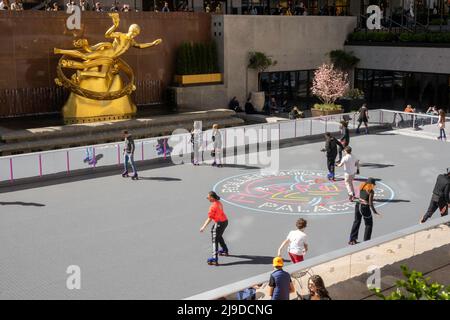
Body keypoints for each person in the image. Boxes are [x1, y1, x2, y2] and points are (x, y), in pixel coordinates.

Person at [199, 191, 229, 266]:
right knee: (218, 236)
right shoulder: (219, 203)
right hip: (225, 222)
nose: (207, 198)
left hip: (219, 223)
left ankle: (214, 258)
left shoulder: (212, 207)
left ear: (212, 198)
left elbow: (209, 218)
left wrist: (203, 227)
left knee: (214, 240)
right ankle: (225, 250)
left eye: (208, 197)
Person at [349, 177, 381, 245]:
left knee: (356, 221)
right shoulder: (371, 191)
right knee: (369, 224)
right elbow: (370, 203)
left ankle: (352, 239)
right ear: (372, 184)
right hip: (365, 208)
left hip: (358, 206)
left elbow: (361, 197)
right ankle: (366, 241)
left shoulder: (362, 186)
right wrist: (375, 212)